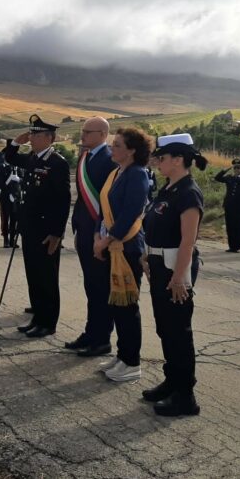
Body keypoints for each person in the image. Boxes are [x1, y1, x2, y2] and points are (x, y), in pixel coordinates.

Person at [141, 133, 206, 417]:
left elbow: (187, 241)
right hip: (158, 265)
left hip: (174, 269)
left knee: (179, 330)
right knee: (165, 327)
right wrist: (146, 256)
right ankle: (172, 381)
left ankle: (185, 394)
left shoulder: (188, 192)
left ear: (179, 160)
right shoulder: (168, 190)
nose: (157, 162)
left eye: (162, 158)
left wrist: (179, 278)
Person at [4, 114, 71, 338]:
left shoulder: (57, 163)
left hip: (46, 230)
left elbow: (62, 201)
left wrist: (56, 233)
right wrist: (16, 142)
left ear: (48, 138)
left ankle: (48, 322)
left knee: (47, 277)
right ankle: (38, 318)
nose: (31, 138)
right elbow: (10, 158)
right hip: (30, 227)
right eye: (30, 134)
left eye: (35, 134)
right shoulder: (33, 158)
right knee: (34, 275)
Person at [92, 128, 150, 382]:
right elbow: (102, 208)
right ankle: (122, 355)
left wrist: (107, 239)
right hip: (109, 244)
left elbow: (130, 213)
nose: (112, 148)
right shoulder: (116, 172)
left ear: (132, 151)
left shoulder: (137, 174)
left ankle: (132, 362)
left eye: (117, 145)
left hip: (126, 247)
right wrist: (97, 235)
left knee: (127, 306)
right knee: (114, 304)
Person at [65, 117, 116, 357]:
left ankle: (101, 338)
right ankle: (90, 332)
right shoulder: (85, 157)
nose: (82, 135)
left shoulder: (109, 160)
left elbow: (108, 203)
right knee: (90, 286)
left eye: (87, 131)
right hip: (84, 231)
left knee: (100, 287)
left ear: (103, 134)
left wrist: (101, 235)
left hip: (100, 235)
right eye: (82, 130)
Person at [214, 158, 240, 253]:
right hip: (229, 205)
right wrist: (227, 169)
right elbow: (217, 178)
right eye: (235, 168)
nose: (237, 170)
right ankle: (231, 246)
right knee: (230, 225)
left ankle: (238, 246)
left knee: (239, 225)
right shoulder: (229, 177)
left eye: (238, 167)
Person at [0, 142, 22, 248]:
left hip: (16, 197)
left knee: (14, 219)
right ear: (4, 156)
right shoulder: (0, 168)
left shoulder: (18, 168)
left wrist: (19, 179)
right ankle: (6, 240)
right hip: (5, 197)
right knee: (5, 219)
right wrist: (8, 180)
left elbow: (24, 180)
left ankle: (13, 240)